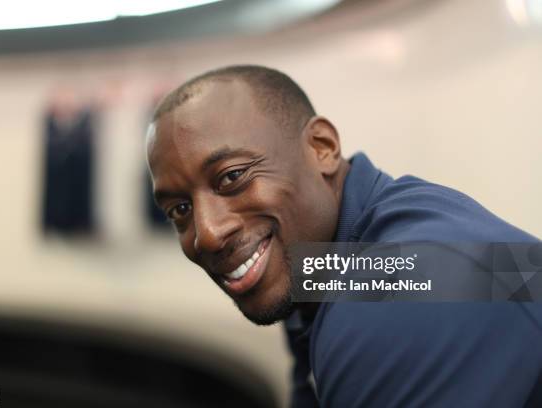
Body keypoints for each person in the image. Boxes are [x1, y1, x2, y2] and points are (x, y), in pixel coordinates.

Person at [145, 65, 542, 407]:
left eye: (233, 177)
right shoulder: (314, 266)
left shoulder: (394, 292)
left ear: (322, 147)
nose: (208, 235)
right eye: (180, 210)